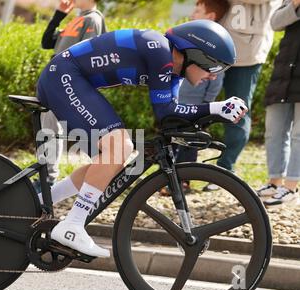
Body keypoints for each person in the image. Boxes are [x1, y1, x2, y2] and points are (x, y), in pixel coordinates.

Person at [36, 20, 248, 257]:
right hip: (64, 75)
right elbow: (166, 112)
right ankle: (73, 225)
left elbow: (171, 117)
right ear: (196, 54)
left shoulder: (172, 73)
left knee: (111, 164)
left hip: (67, 77)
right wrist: (217, 108)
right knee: (119, 148)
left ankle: (36, 202)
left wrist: (213, 116)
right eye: (214, 67)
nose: (212, 76)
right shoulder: (160, 51)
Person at [200, 0, 280, 191]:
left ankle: (225, 168)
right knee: (197, 104)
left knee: (237, 110)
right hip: (216, 48)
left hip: (246, 56)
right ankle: (183, 168)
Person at [37, 0, 107, 191]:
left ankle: (104, 173)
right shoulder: (76, 19)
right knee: (50, 128)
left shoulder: (93, 20)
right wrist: (59, 15)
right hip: (55, 81)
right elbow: (46, 42)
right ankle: (47, 178)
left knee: (75, 130)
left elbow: (90, 54)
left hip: (66, 83)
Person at [174, 0, 230, 176]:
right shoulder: (191, 40)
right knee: (174, 139)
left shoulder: (212, 45)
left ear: (210, 16)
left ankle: (185, 177)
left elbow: (217, 77)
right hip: (180, 101)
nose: (192, 14)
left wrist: (207, 103)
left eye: (197, 11)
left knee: (191, 143)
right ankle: (171, 174)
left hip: (197, 105)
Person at [256, 0, 300, 206]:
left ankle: (291, 187)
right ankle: (275, 181)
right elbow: (275, 23)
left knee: (299, 135)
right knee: (274, 130)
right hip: (284, 73)